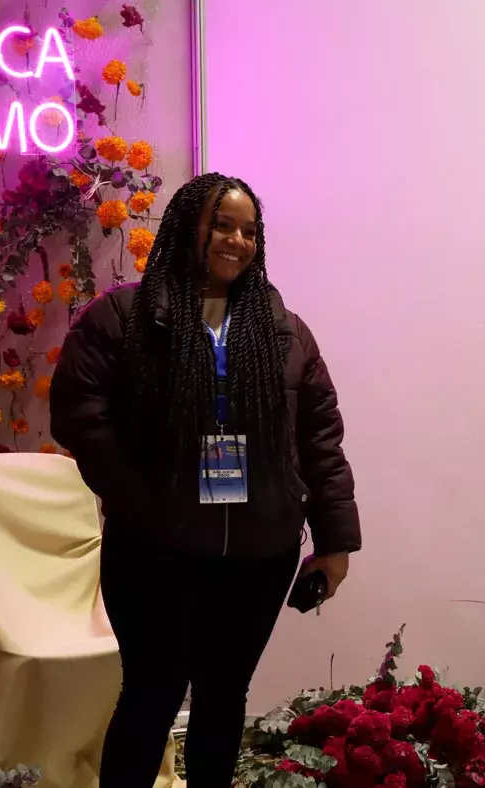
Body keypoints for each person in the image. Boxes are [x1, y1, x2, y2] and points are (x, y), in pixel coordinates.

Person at [50, 172, 360, 788]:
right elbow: (80, 416)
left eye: (249, 230)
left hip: (259, 552)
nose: (237, 240)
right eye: (222, 224)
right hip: (154, 550)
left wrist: (334, 541)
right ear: (187, 225)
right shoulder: (125, 316)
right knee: (151, 696)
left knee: (224, 699)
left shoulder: (282, 329)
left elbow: (320, 439)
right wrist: (140, 499)